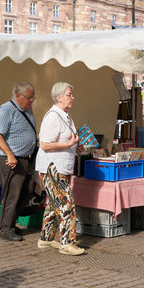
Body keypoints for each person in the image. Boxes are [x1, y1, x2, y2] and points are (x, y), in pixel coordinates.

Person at [35, 82, 85, 256]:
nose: (73, 97)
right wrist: (67, 144)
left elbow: (66, 141)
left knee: (55, 204)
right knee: (66, 204)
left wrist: (74, 147)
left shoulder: (66, 115)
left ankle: (46, 239)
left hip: (62, 167)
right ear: (59, 97)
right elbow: (45, 144)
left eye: (72, 94)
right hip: (52, 168)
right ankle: (67, 243)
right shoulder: (52, 117)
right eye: (69, 94)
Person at [0, 81, 37, 242]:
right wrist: (10, 155)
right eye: (29, 97)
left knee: (27, 191)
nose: (32, 101)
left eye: (33, 98)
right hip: (10, 159)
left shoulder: (27, 109)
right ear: (18, 96)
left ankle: (7, 221)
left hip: (25, 158)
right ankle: (6, 229)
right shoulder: (7, 109)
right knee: (12, 194)